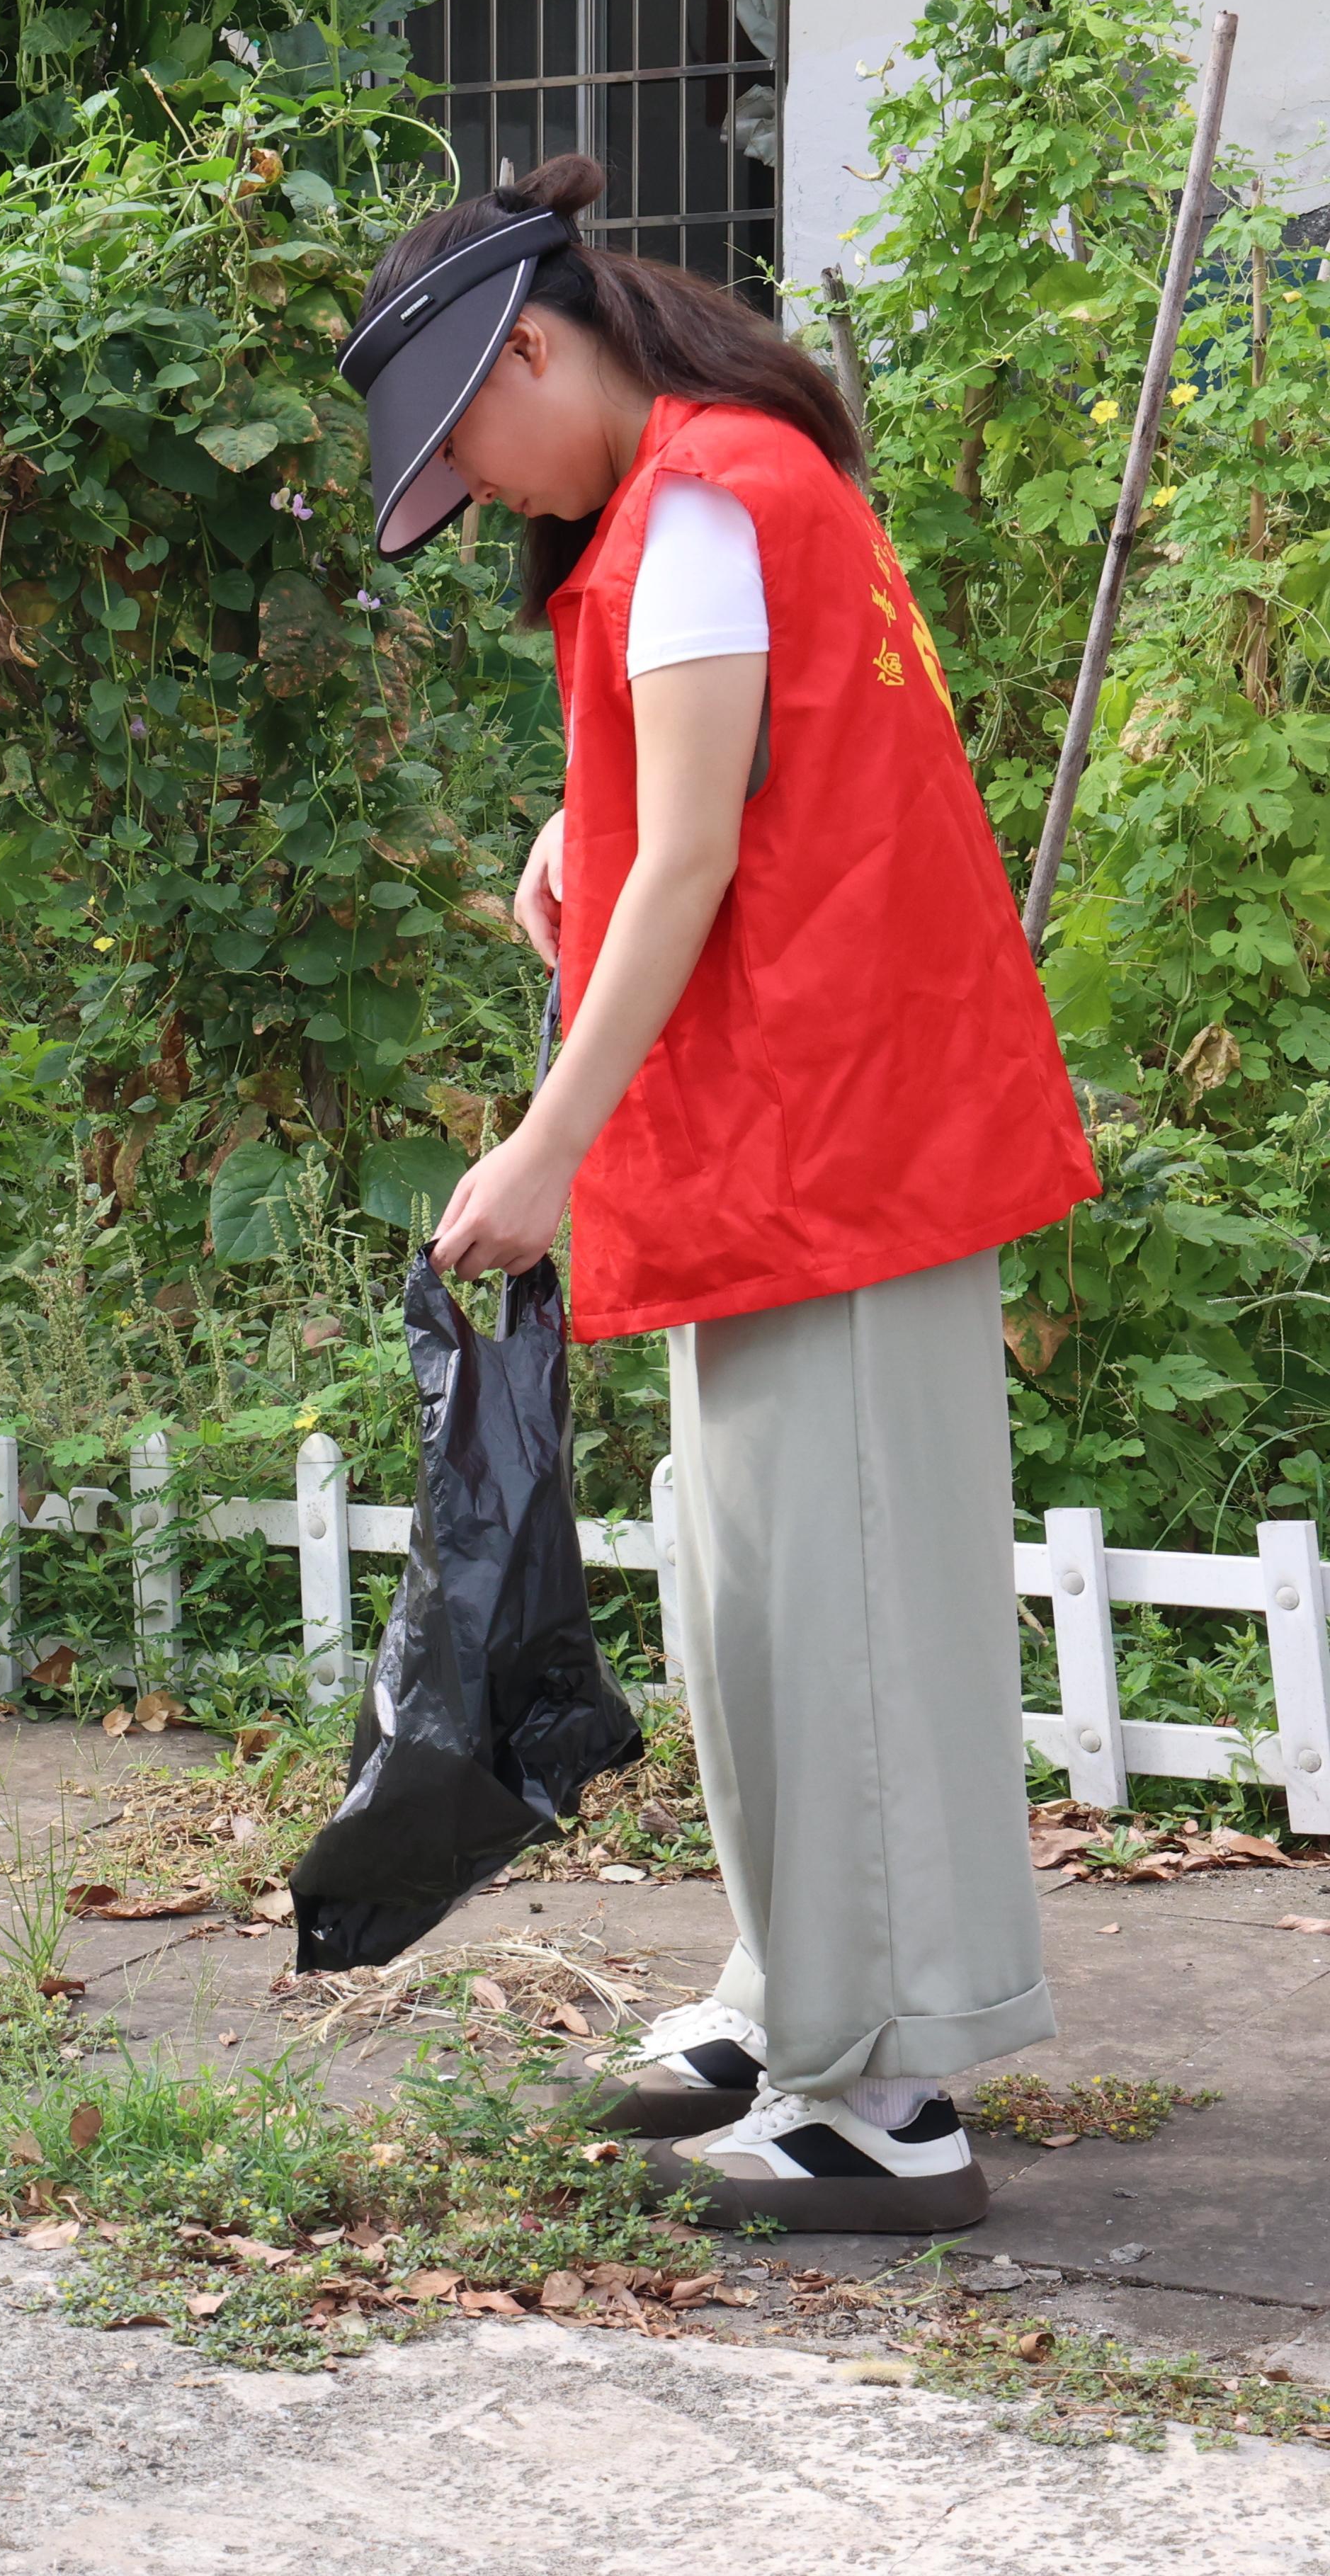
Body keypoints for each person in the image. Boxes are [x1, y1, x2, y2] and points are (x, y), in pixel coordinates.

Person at [341, 158, 1098, 2231]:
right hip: (812, 1135)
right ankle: (797, 2006)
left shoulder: (695, 499)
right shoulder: (717, 479)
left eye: (468, 449)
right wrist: (574, 821)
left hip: (833, 1142)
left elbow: (687, 864)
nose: (484, 495)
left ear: (529, 352)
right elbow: (697, 800)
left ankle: (890, 2097)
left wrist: (540, 1147)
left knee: (842, 1614)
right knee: (763, 1601)